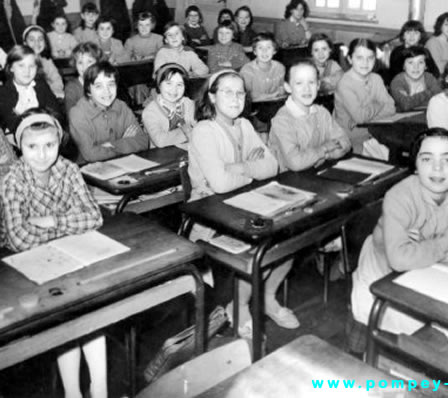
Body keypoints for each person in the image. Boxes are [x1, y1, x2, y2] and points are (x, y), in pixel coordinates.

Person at [0, 110, 105, 398]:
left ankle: (100, 389)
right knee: (69, 314)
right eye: (32, 146)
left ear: (60, 142)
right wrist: (69, 222)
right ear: (20, 146)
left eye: (50, 145)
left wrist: (52, 221)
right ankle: (72, 392)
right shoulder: (12, 179)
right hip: (24, 271)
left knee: (91, 305)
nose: (42, 154)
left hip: (68, 257)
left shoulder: (68, 169)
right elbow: (20, 239)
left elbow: (93, 217)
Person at [350, 128, 448, 336]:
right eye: (427, 159)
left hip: (431, 270)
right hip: (384, 275)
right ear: (416, 166)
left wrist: (424, 252)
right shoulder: (399, 196)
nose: (437, 169)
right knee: (433, 333)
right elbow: (399, 261)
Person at [188, 70, 288, 337]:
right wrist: (250, 168)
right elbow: (219, 185)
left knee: (288, 235)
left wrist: (236, 167)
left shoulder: (244, 125)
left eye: (240, 92)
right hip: (209, 214)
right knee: (256, 247)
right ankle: (238, 306)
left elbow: (272, 166)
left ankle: (263, 297)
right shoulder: (204, 130)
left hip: (244, 204)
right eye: (227, 92)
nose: (235, 98)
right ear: (211, 96)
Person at [269, 60, 350, 171]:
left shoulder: (322, 112)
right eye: (299, 83)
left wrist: (324, 156)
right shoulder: (282, 120)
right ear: (287, 87)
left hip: (317, 172)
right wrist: (324, 148)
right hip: (289, 179)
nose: (306, 89)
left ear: (318, 85)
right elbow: (296, 163)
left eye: (311, 82)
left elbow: (345, 142)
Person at [69, 62, 149, 162]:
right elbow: (91, 155)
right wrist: (125, 143)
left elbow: (144, 141)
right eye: (99, 86)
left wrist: (113, 144)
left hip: (123, 164)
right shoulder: (78, 113)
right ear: (89, 90)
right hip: (89, 170)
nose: (106, 91)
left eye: (111, 84)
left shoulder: (121, 106)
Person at [334, 38, 395, 156]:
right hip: (351, 140)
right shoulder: (345, 83)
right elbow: (361, 117)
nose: (365, 63)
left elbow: (391, 108)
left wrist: (366, 119)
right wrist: (379, 104)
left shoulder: (376, 78)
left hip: (375, 133)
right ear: (350, 59)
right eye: (359, 58)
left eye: (370, 58)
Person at [0, 45, 65, 134]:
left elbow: (56, 113)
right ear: (11, 68)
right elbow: (12, 122)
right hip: (18, 135)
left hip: (46, 130)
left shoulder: (42, 86)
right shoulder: (4, 92)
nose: (27, 71)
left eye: (32, 66)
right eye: (21, 66)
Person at [141, 63, 195, 148]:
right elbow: (160, 141)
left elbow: (199, 129)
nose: (174, 89)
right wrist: (187, 131)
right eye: (169, 83)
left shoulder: (189, 104)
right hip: (161, 156)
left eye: (179, 85)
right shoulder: (150, 111)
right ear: (159, 84)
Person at [389, 46, 442, 112]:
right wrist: (428, 92)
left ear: (426, 66)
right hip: (404, 119)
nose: (416, 67)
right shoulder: (397, 81)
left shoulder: (429, 77)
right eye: (410, 62)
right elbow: (405, 105)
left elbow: (440, 99)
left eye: (420, 62)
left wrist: (413, 100)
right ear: (403, 66)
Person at [22, 25, 65, 98]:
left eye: (40, 39)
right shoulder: (20, 63)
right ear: (25, 43)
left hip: (46, 94)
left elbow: (57, 79)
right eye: (32, 40)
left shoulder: (47, 61)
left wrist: (54, 90)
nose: (37, 43)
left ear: (45, 42)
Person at [240, 33, 285, 102]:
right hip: (254, 107)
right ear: (255, 52)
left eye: (268, 47)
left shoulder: (280, 67)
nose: (264, 51)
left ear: (274, 51)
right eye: (260, 48)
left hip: (275, 104)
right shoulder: (247, 71)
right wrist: (271, 96)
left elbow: (282, 89)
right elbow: (245, 97)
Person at [64, 42, 102, 114]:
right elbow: (71, 115)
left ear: (98, 64)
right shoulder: (72, 87)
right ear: (75, 64)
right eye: (80, 62)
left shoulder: (104, 83)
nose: (85, 67)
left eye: (89, 61)